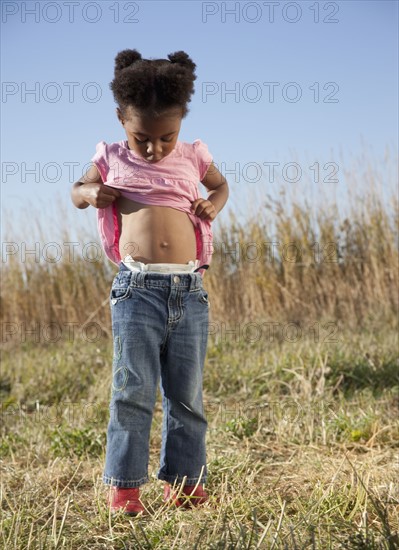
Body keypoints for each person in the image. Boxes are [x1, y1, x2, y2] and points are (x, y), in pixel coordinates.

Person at [71, 49, 229, 515]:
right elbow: (76, 191)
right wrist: (90, 192)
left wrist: (213, 204)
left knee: (186, 395)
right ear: (122, 118)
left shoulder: (194, 156)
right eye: (142, 137)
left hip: (189, 290)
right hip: (137, 291)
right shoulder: (110, 157)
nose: (154, 149)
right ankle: (125, 488)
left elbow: (221, 186)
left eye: (166, 137)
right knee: (132, 391)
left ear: (181, 124)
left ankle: (184, 483)